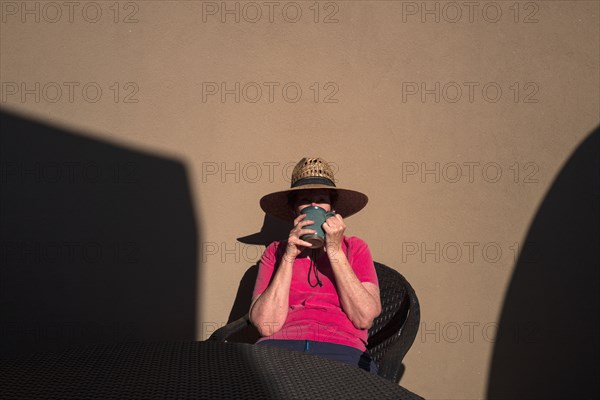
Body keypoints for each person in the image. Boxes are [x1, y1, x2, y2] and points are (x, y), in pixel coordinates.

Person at [249, 157, 382, 373]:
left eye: (321, 199)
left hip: (341, 347)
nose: (313, 206)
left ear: (332, 210)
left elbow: (364, 317)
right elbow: (266, 325)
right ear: (295, 210)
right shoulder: (275, 252)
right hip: (281, 347)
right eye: (305, 200)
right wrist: (289, 256)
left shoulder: (355, 248)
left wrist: (335, 251)